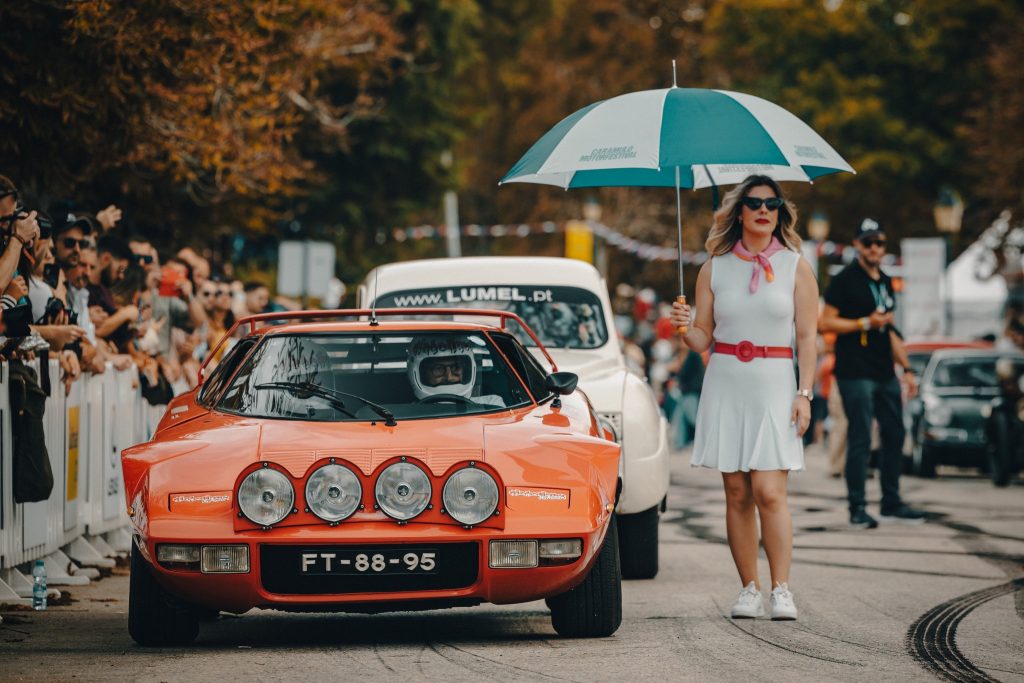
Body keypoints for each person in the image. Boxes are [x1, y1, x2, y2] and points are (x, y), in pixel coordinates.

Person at [670, 174, 817, 621]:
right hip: (726, 381)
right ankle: (749, 588)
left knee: (770, 492)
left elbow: (807, 338)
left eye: (772, 204)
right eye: (754, 203)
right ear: (739, 212)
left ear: (780, 212)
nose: (764, 210)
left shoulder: (796, 266)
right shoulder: (713, 267)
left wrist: (805, 393)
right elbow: (703, 337)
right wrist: (684, 327)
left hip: (775, 384)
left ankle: (781, 588)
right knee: (737, 494)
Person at [819, 218, 925, 528]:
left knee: (895, 434)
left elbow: (890, 331)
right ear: (857, 245)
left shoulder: (886, 281)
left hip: (883, 370)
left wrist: (907, 369)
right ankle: (857, 508)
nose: (874, 248)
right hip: (854, 371)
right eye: (868, 242)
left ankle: (891, 503)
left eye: (879, 242)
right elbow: (825, 323)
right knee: (861, 436)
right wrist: (864, 323)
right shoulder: (845, 280)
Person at [406, 336, 504, 407]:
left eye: (456, 367)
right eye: (438, 369)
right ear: (421, 373)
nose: (449, 377)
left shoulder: (492, 404)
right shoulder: (407, 415)